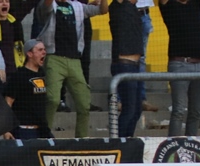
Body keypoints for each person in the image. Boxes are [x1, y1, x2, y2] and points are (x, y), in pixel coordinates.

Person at [35, 0, 108, 138]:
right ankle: (44, 136)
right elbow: (46, 7)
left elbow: (103, 10)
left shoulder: (78, 6)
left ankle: (81, 139)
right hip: (54, 58)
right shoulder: (49, 5)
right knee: (52, 99)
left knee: (84, 103)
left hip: (74, 60)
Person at [159, 0, 200, 137]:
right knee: (179, 110)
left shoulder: (195, 4)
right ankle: (174, 143)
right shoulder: (170, 6)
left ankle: (191, 142)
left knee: (196, 111)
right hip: (179, 64)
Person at [109, 0, 144, 138]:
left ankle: (127, 140)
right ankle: (118, 142)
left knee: (136, 110)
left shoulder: (133, 9)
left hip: (135, 66)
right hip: (124, 65)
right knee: (129, 110)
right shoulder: (118, 7)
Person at [4, 38, 51, 138]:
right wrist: (6, 129)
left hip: (42, 129)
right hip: (24, 130)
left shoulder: (42, 73)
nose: (44, 52)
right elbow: (8, 102)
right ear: (29, 54)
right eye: (40, 50)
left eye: (44, 49)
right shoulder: (19, 75)